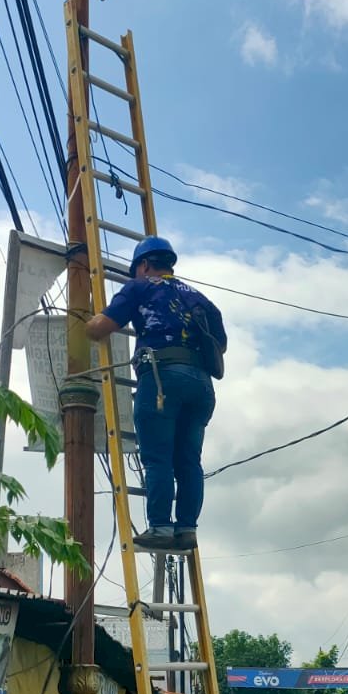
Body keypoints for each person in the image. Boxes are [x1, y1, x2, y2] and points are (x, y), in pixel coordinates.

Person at [87, 236, 227, 552]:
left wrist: (81, 323)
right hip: (202, 385)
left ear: (145, 265)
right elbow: (221, 345)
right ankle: (187, 529)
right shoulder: (200, 299)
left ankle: (162, 528)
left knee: (157, 457)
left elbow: (101, 327)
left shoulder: (140, 287)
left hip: (162, 378)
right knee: (189, 461)